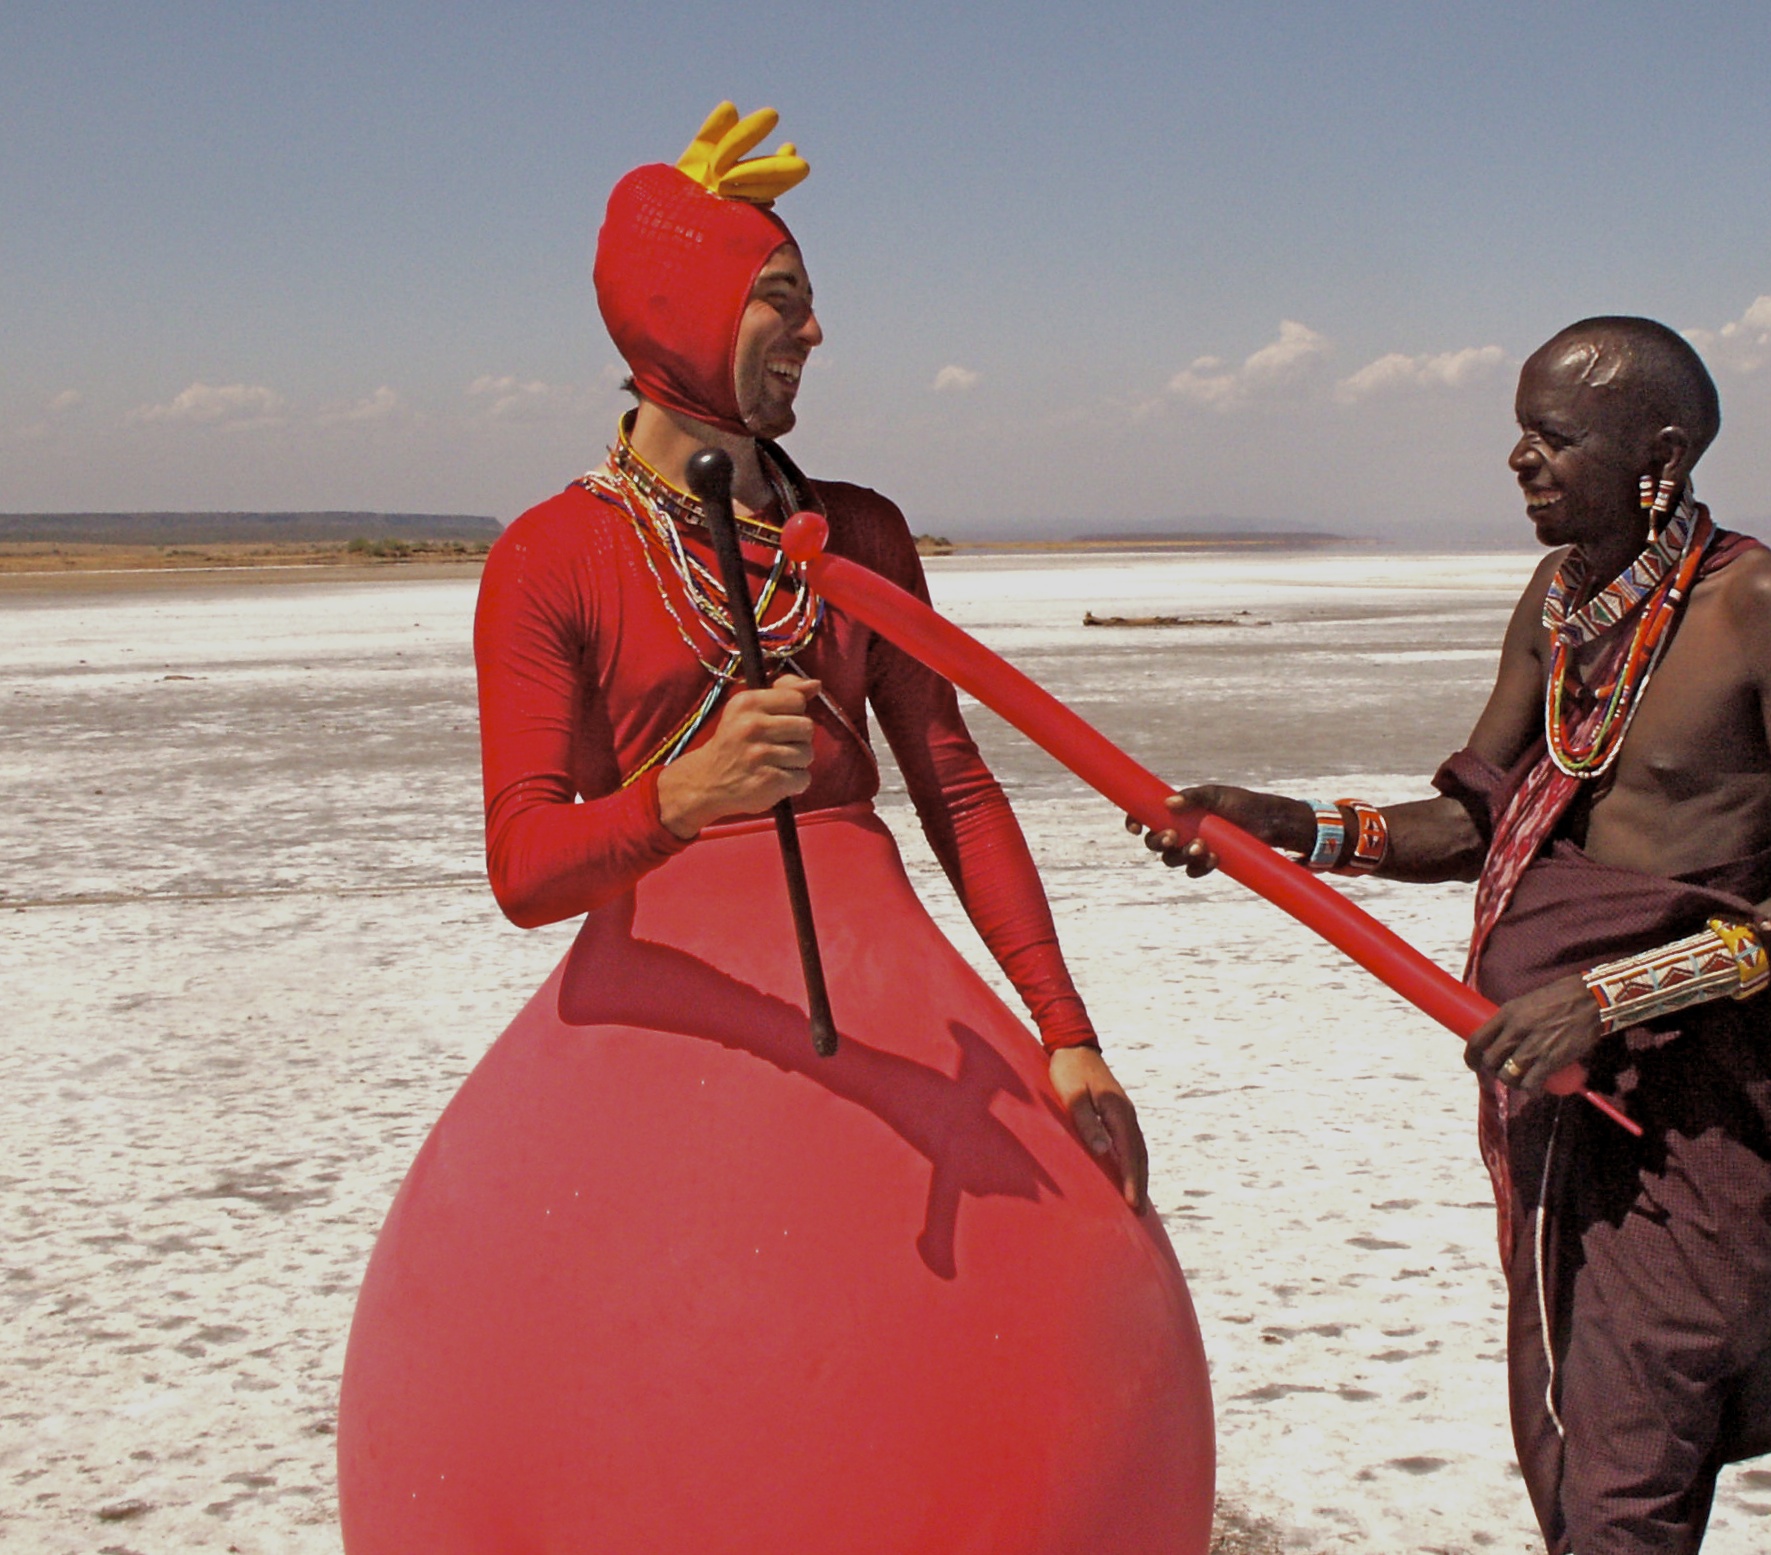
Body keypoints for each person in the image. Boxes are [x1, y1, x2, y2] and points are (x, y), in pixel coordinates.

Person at [336, 105, 1214, 1555]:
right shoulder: (554, 553)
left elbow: (955, 780)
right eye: (782, 303)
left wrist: (1059, 1027)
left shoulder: (857, 532)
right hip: (671, 1016)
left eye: (809, 303)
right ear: (677, 308)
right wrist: (681, 800)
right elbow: (523, 865)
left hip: (895, 998)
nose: (815, 334)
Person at [1135, 318, 1771, 1554]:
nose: (1519, 460)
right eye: (1517, 431)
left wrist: (1613, 994)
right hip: (1563, 1098)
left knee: (1629, 1471)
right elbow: (1477, 817)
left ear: (1657, 454)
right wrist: (1285, 824)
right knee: (1575, 1437)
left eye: (1552, 437)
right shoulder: (1559, 604)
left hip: (1704, 1114)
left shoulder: (1762, 609)